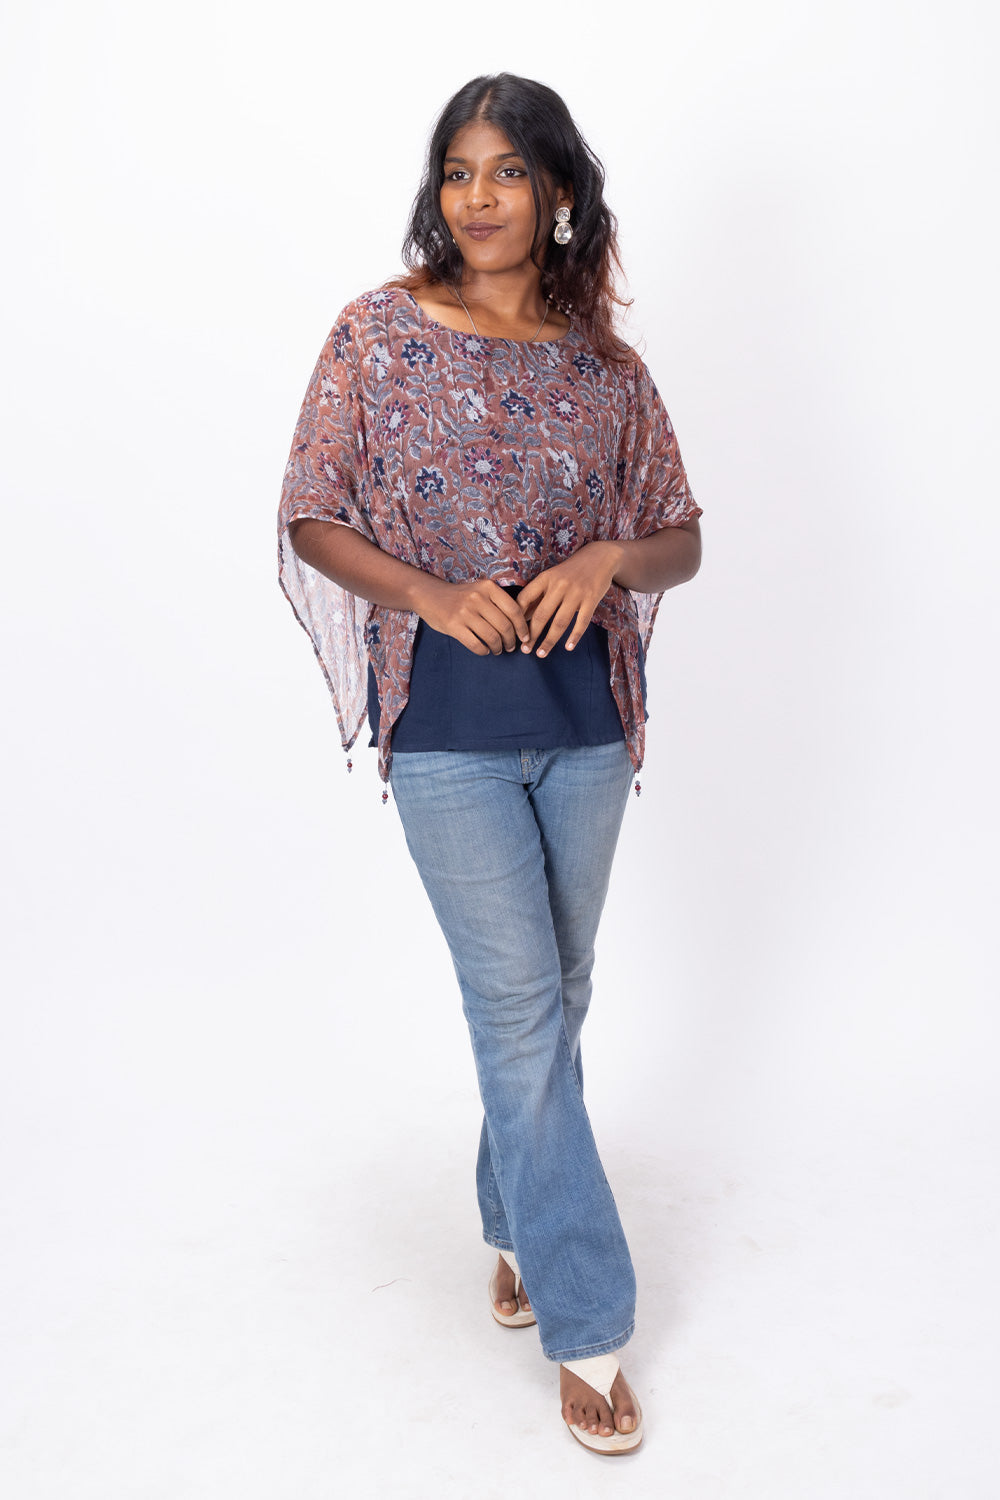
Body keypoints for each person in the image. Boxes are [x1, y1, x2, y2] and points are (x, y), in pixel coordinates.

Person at [278, 72, 702, 1455]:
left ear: (559, 193)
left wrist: (609, 557)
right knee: (521, 1013)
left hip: (584, 731)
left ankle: (512, 1216)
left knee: (558, 996)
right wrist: (425, 592)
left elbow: (682, 537)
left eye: (508, 171)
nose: (478, 197)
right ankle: (590, 1321)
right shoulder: (377, 335)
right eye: (458, 171)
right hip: (448, 737)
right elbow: (312, 512)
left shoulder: (607, 369)